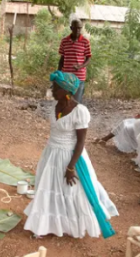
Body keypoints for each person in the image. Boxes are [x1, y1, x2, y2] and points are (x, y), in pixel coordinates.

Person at [24, 71, 118, 239]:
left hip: (69, 156)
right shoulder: (55, 106)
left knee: (71, 192)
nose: (52, 91)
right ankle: (46, 225)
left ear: (67, 90)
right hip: (51, 153)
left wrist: (70, 167)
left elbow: (81, 142)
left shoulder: (80, 111)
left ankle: (69, 223)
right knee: (50, 188)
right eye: (53, 87)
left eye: (56, 88)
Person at [58, 19, 91, 103]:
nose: (78, 30)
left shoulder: (85, 42)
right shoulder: (64, 41)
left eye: (79, 28)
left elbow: (88, 58)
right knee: (66, 101)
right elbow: (62, 59)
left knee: (76, 102)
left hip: (79, 77)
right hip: (66, 77)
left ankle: (76, 116)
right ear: (71, 28)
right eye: (75, 28)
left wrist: (80, 66)